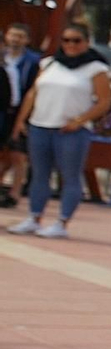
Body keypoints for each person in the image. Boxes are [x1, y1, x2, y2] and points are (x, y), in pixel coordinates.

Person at [4, 21, 111, 240]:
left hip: (70, 130)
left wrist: (80, 120)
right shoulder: (49, 63)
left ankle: (62, 221)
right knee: (39, 174)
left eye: (76, 41)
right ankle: (34, 217)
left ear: (86, 42)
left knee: (70, 175)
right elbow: (33, 93)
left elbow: (103, 102)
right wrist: (21, 120)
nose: (70, 45)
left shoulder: (96, 68)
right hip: (41, 125)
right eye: (66, 40)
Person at [0, 22, 41, 210]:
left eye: (20, 36)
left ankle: (15, 192)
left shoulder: (33, 61)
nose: (15, 39)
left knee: (18, 154)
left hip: (20, 109)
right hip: (3, 110)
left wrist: (25, 116)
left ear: (27, 40)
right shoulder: (3, 57)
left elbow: (33, 89)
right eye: (13, 35)